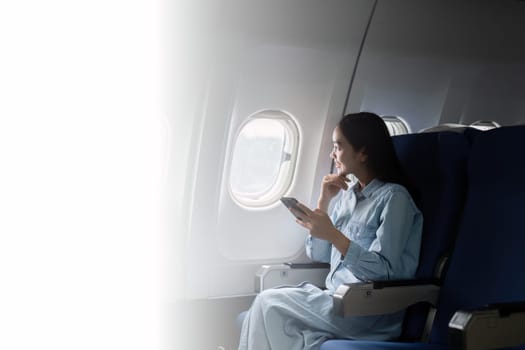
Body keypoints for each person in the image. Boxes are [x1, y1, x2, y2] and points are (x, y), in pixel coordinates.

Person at [238, 112, 423, 350]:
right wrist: (324, 201)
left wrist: (335, 235)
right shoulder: (348, 197)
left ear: (363, 152)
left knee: (268, 303)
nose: (332, 154)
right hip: (337, 301)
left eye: (338, 146)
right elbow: (321, 254)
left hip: (368, 311)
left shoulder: (394, 199)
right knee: (274, 315)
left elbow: (385, 272)